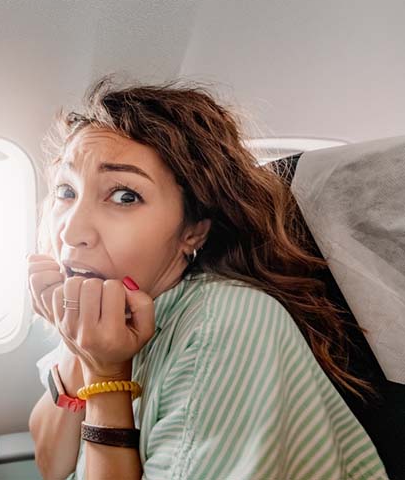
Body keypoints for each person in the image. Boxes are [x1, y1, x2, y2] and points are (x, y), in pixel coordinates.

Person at [26, 76, 388, 480]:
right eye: (66, 191)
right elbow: (50, 465)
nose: (72, 232)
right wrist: (77, 346)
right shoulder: (108, 314)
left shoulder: (227, 323)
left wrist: (107, 378)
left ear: (193, 230)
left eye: (125, 196)